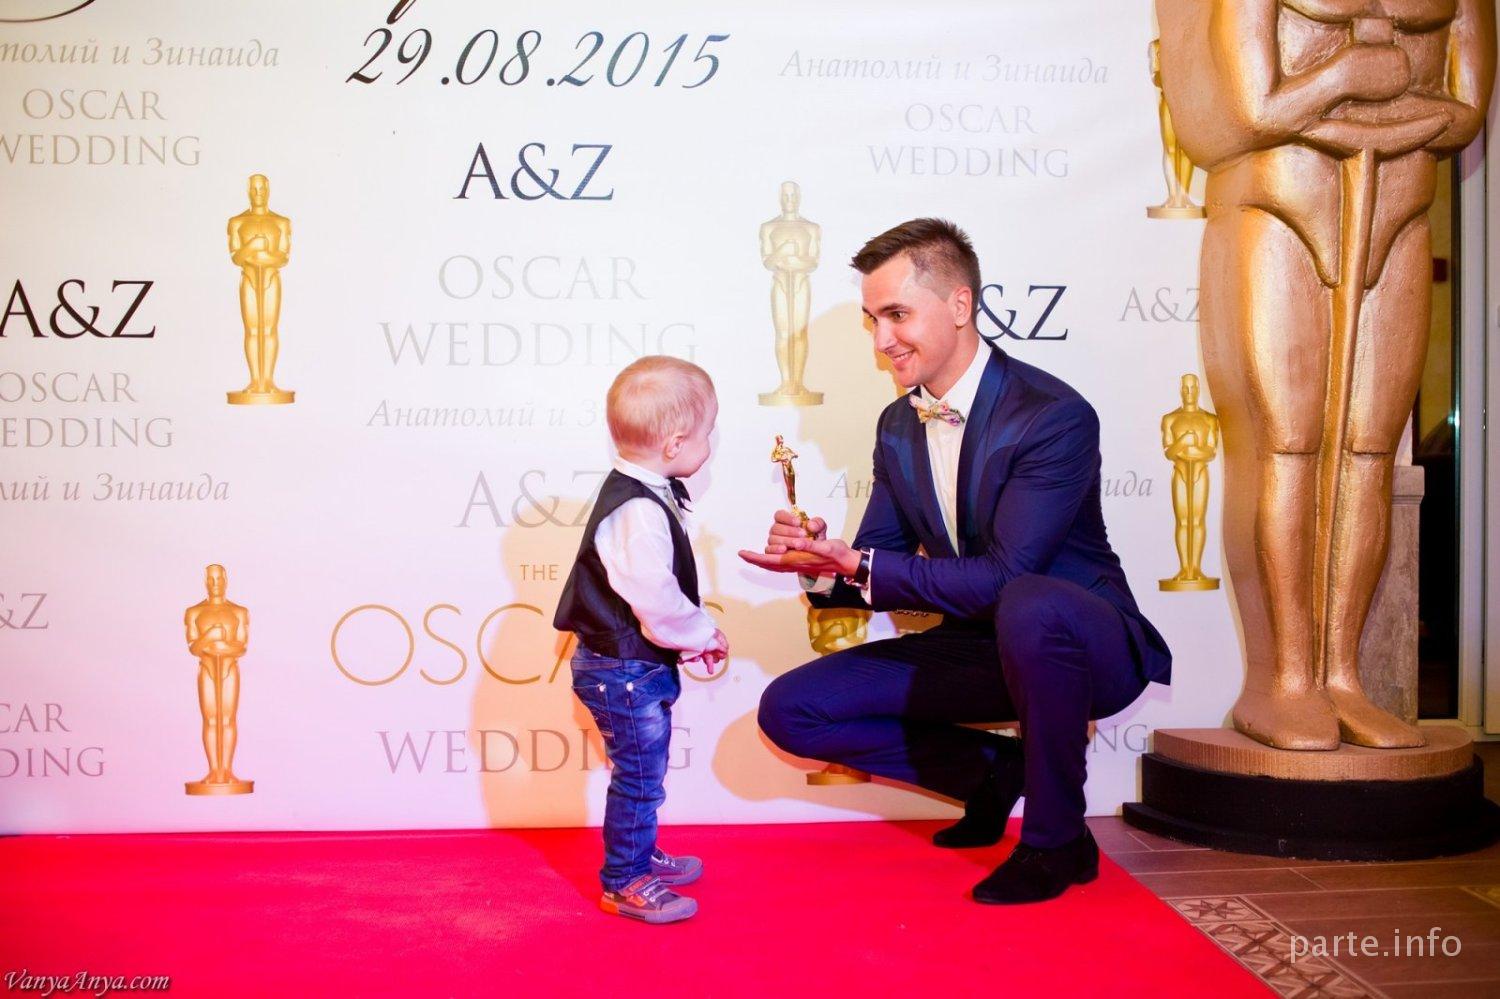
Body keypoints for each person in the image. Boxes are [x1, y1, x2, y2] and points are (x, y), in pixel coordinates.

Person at [743, 219, 1171, 904]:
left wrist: (862, 563)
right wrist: (822, 564)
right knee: (792, 710)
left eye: (897, 315)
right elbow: (879, 564)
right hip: (980, 644)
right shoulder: (897, 424)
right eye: (872, 320)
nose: (881, 341)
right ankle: (992, 774)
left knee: (1030, 603)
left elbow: (1008, 576)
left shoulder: (1051, 415)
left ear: (960, 305)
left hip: (1085, 645)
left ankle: (1057, 841)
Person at [553, 355, 728, 924]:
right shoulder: (635, 510)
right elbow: (653, 596)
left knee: (643, 776)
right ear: (674, 444)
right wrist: (701, 634)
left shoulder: (644, 491)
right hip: (622, 672)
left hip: (632, 668)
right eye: (707, 433)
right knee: (639, 778)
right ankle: (625, 879)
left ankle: (639, 851)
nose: (711, 443)